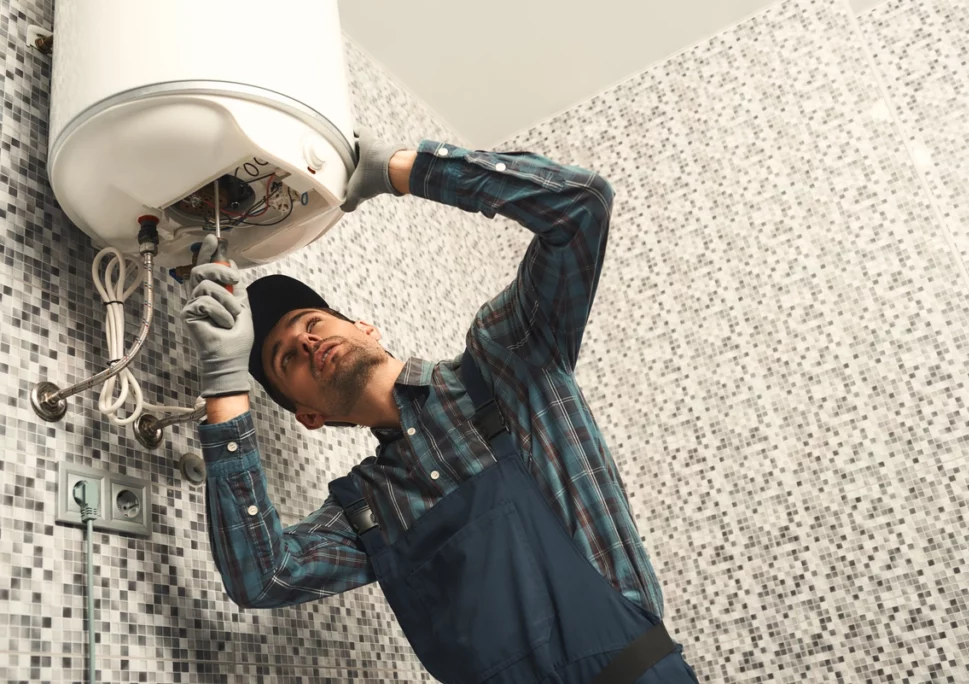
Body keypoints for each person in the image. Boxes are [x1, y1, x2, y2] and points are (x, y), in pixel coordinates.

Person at [182, 127, 700, 684]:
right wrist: (224, 380)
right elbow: (262, 575)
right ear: (310, 416)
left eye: (312, 323)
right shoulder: (368, 508)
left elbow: (582, 207)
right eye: (287, 360)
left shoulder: (508, 361)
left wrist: (405, 170)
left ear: (364, 328)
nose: (307, 343)